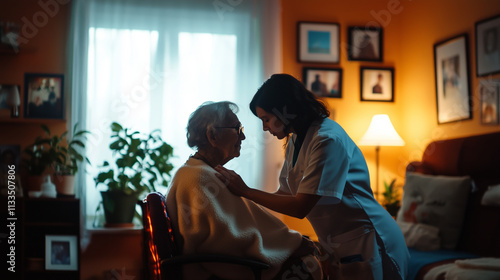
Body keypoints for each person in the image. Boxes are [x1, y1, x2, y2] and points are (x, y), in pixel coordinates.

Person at [215, 74, 410, 280]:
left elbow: (300, 206)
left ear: (285, 110)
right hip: (337, 242)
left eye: (266, 119)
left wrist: (246, 191)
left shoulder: (327, 139)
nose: (265, 127)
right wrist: (238, 201)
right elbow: (284, 194)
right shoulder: (296, 139)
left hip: (369, 240)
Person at [166, 101, 323, 280]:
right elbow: (225, 242)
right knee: (307, 267)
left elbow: (237, 227)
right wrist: (292, 244)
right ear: (212, 136)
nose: (244, 137)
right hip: (229, 270)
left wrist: (291, 241)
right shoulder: (198, 177)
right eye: (237, 129)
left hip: (231, 264)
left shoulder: (202, 171)